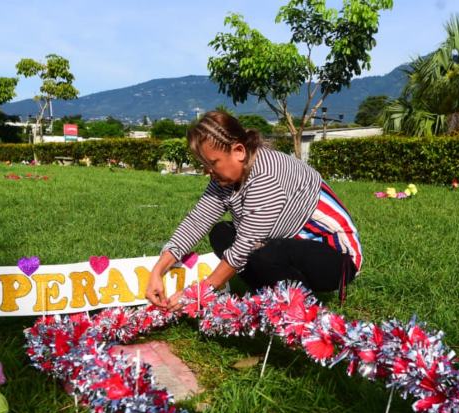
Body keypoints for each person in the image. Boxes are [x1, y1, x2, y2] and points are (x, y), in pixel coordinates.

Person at [146, 111, 362, 310]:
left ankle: (300, 310)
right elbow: (197, 221)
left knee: (263, 253)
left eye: (213, 163)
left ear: (238, 151)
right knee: (222, 233)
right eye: (204, 165)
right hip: (287, 245)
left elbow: (244, 247)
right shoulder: (225, 177)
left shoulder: (266, 175)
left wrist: (198, 294)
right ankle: (270, 297)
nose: (208, 172)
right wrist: (158, 270)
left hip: (337, 259)